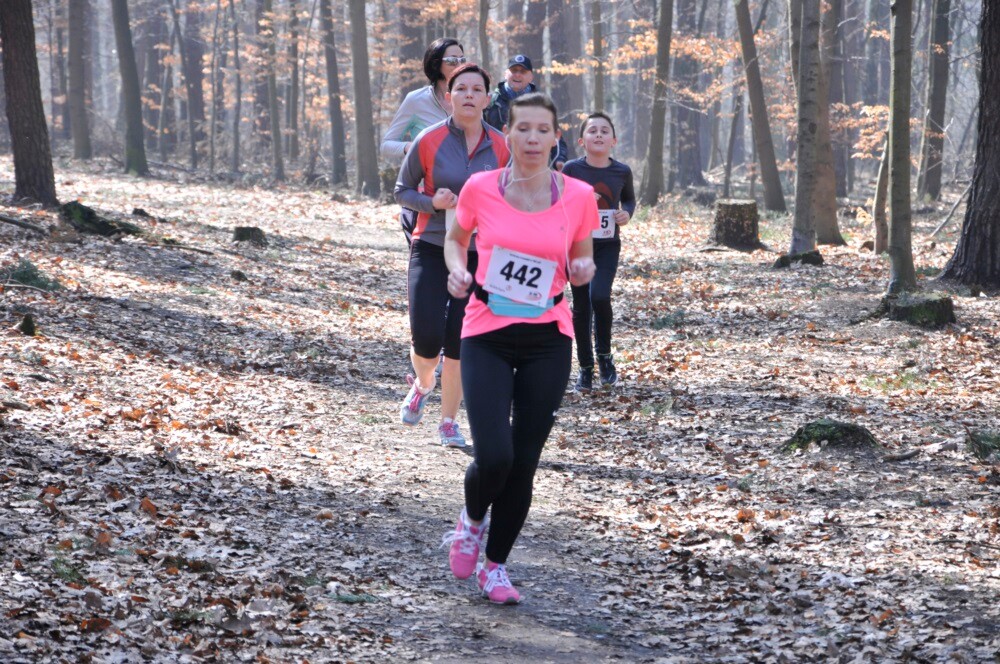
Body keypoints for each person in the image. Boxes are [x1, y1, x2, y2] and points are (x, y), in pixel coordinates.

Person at [442, 93, 597, 604]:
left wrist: (583, 271)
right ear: (507, 134)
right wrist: (458, 267)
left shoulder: (578, 195)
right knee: (495, 456)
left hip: (548, 337)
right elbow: (455, 235)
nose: (532, 139)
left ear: (557, 137)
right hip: (485, 330)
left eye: (542, 130)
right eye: (523, 129)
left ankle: (495, 566)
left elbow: (582, 256)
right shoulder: (481, 187)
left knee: (525, 461)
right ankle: (471, 518)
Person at [394, 64, 510, 448]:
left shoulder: (502, 146)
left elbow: (516, 197)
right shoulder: (428, 139)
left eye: (478, 89)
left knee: (461, 339)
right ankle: (423, 384)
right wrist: (432, 201)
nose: (469, 95)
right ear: (449, 97)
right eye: (461, 88)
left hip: (478, 251)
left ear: (488, 99)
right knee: (426, 337)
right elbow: (401, 191)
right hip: (430, 243)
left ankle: (448, 422)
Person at [563, 112, 636, 391]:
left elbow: (628, 199)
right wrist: (579, 199)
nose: (599, 135)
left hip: (607, 245)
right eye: (592, 131)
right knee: (581, 307)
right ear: (582, 140)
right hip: (578, 245)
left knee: (600, 296)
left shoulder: (621, 171)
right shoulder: (571, 169)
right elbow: (558, 198)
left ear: (614, 141)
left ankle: (605, 357)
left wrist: (626, 214)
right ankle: (585, 367)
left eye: (605, 131)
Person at [381, 38, 467, 244]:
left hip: (464, 195)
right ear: (436, 64)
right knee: (426, 259)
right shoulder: (416, 100)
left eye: (462, 59)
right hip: (424, 196)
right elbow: (386, 145)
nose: (459, 64)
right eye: (452, 60)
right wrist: (413, 148)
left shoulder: (472, 99)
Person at [483, 55, 569, 170]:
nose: (518, 75)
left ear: (531, 77)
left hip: (533, 167)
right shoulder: (490, 102)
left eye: (523, 71)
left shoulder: (542, 104)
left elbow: (555, 138)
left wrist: (559, 160)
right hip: (495, 167)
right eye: (514, 70)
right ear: (506, 74)